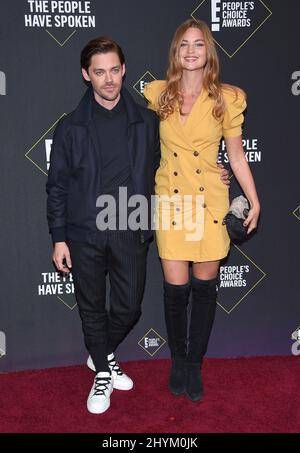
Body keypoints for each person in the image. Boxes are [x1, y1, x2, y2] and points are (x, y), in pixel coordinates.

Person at [144, 19, 260, 402]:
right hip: (172, 202)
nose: (191, 51)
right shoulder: (158, 94)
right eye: (183, 45)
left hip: (209, 201)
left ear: (208, 51)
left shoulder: (226, 98)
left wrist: (253, 199)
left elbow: (238, 157)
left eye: (198, 44)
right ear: (175, 53)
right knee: (175, 292)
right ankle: (178, 360)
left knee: (205, 291)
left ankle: (195, 363)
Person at [46, 36, 161, 414]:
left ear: (124, 69)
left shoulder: (147, 121)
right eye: (99, 72)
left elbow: (172, 168)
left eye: (114, 70)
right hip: (84, 232)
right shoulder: (70, 128)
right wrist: (59, 238)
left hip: (132, 223)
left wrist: (216, 173)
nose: (109, 79)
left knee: (129, 307)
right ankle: (103, 373)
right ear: (86, 75)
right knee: (91, 308)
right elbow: (58, 186)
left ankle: (101, 355)